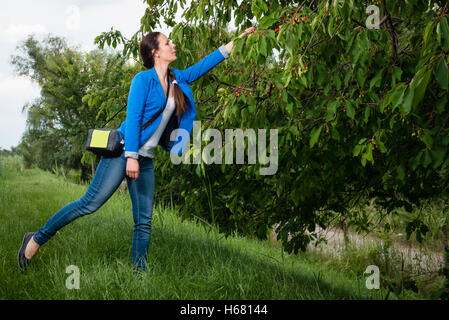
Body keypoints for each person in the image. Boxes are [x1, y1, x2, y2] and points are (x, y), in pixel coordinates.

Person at [18, 26, 257, 272]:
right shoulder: (142, 80)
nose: (172, 45)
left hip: (146, 160)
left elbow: (205, 64)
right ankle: (36, 239)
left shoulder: (177, 79)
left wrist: (237, 41)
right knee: (89, 203)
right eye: (167, 43)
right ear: (155, 52)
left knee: (144, 221)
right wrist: (131, 156)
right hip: (124, 152)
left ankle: (138, 274)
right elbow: (132, 120)